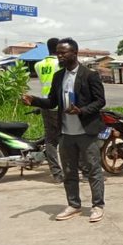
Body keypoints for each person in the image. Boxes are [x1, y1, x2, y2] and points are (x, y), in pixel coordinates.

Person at [22, 38, 107, 222]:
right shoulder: (58, 76)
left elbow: (100, 101)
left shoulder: (89, 75)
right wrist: (34, 100)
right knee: (69, 171)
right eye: (58, 52)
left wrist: (82, 110)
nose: (59, 55)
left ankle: (97, 206)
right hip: (66, 133)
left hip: (86, 132)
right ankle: (74, 205)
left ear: (74, 53)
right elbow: (52, 102)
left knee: (93, 170)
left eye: (63, 52)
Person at [33, 38, 63, 183]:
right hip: (59, 105)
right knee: (68, 138)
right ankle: (78, 170)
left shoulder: (38, 65)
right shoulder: (60, 64)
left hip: (45, 104)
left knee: (50, 140)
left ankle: (56, 174)